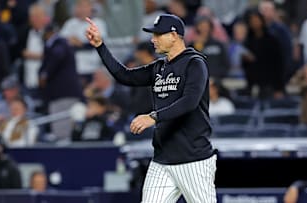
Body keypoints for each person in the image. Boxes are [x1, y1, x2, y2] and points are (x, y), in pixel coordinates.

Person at [86, 14, 217, 202]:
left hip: (194, 159)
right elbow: (124, 76)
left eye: (158, 35)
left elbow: (190, 102)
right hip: (162, 160)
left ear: (174, 35)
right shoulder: (159, 68)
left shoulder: (195, 63)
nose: (153, 39)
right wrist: (100, 46)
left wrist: (153, 117)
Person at [39, 23, 83, 140]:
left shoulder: (59, 43)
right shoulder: (59, 43)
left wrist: (45, 74)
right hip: (62, 93)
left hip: (64, 93)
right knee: (62, 128)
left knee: (63, 131)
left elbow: (58, 55)